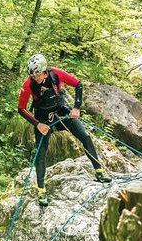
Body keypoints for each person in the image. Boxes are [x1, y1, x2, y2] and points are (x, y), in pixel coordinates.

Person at [17, 53, 111, 207]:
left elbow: (78, 84)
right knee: (41, 151)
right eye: (33, 76)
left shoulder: (56, 74)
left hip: (61, 112)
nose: (36, 78)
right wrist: (37, 124)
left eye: (38, 74)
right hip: (43, 119)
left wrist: (76, 107)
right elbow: (21, 108)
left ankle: (99, 171)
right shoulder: (28, 84)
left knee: (85, 136)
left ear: (44, 70)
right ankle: (41, 189)